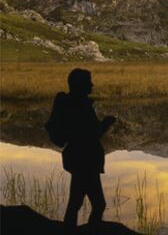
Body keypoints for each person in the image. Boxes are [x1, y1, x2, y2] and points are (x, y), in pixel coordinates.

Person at [48, 68, 116, 234]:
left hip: (77, 158)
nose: (92, 84)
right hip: (85, 160)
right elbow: (91, 134)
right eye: (88, 81)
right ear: (80, 85)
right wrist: (106, 123)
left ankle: (69, 229)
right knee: (97, 204)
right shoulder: (80, 107)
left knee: (76, 202)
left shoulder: (72, 103)